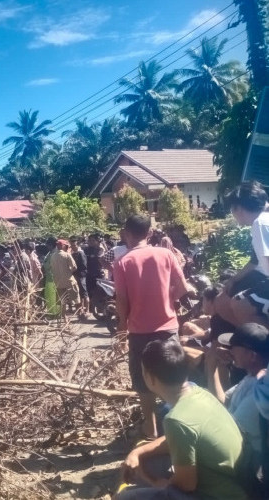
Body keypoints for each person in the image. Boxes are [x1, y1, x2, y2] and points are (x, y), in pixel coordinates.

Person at [117, 339, 247, 500]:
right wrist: (138, 452)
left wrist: (156, 482)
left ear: (150, 377)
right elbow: (182, 438)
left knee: (124, 497)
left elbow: (186, 485)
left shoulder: (176, 420)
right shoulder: (199, 392)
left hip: (219, 495)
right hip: (240, 483)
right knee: (145, 462)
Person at [114, 215, 189, 439]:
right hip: (168, 328)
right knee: (173, 376)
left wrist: (121, 326)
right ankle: (181, 426)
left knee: (143, 379)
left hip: (139, 332)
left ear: (126, 233)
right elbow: (183, 288)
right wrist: (169, 300)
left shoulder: (122, 262)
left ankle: (151, 429)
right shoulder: (166, 254)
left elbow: (122, 301)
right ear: (149, 233)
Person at [207, 323, 269, 471]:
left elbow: (229, 429)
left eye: (234, 347)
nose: (230, 350)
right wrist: (214, 367)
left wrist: (211, 369)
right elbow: (222, 401)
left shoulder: (258, 392)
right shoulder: (251, 376)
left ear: (252, 356)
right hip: (236, 447)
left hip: (245, 461)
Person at [216, 182, 269, 329]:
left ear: (238, 208)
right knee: (227, 301)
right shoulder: (263, 219)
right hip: (263, 277)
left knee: (240, 305)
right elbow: (255, 260)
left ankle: (258, 347)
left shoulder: (261, 223)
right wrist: (234, 279)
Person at [51, 239, 79, 315]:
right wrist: (69, 272)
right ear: (63, 246)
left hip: (58, 282)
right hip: (68, 281)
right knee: (76, 296)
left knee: (62, 301)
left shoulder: (52, 256)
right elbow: (74, 267)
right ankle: (80, 313)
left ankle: (64, 317)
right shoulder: (67, 255)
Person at [69, 237, 89, 318]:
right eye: (72, 245)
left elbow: (84, 266)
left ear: (77, 245)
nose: (73, 247)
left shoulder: (81, 253)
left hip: (81, 276)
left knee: (84, 293)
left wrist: (77, 271)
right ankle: (81, 310)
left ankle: (87, 310)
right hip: (75, 276)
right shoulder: (73, 254)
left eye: (74, 245)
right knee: (78, 293)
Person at [85, 234, 105, 304]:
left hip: (97, 273)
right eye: (89, 240)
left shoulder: (100, 250)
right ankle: (90, 306)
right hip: (88, 273)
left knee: (98, 290)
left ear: (97, 241)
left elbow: (100, 259)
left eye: (93, 240)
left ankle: (98, 306)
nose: (91, 242)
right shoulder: (86, 250)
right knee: (88, 290)